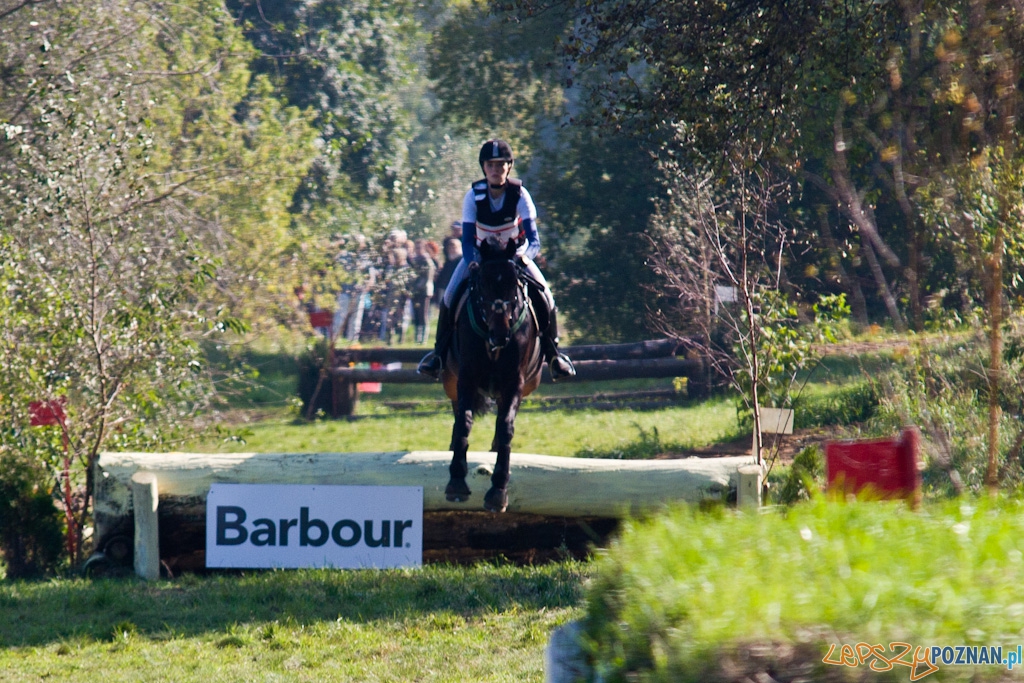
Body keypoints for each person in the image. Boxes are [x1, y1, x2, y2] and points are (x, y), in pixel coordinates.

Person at [417, 139, 576, 380]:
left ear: (509, 167)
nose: (495, 170)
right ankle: (438, 355)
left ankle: (554, 355)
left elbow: (534, 241)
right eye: (491, 165)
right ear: (484, 167)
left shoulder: (520, 194)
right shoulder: (473, 196)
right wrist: (471, 260)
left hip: (515, 257)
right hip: (481, 256)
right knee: (449, 296)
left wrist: (523, 258)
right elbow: (468, 240)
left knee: (546, 295)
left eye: (501, 165)